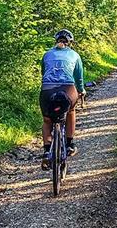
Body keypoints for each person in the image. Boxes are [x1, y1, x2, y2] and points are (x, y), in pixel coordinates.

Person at [39, 29, 86, 169]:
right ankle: (70, 144)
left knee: (47, 120)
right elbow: (78, 78)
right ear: (70, 43)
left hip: (47, 89)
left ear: (56, 41)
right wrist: (81, 90)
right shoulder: (75, 55)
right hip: (68, 89)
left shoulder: (47, 54)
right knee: (71, 111)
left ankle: (47, 152)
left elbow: (43, 73)